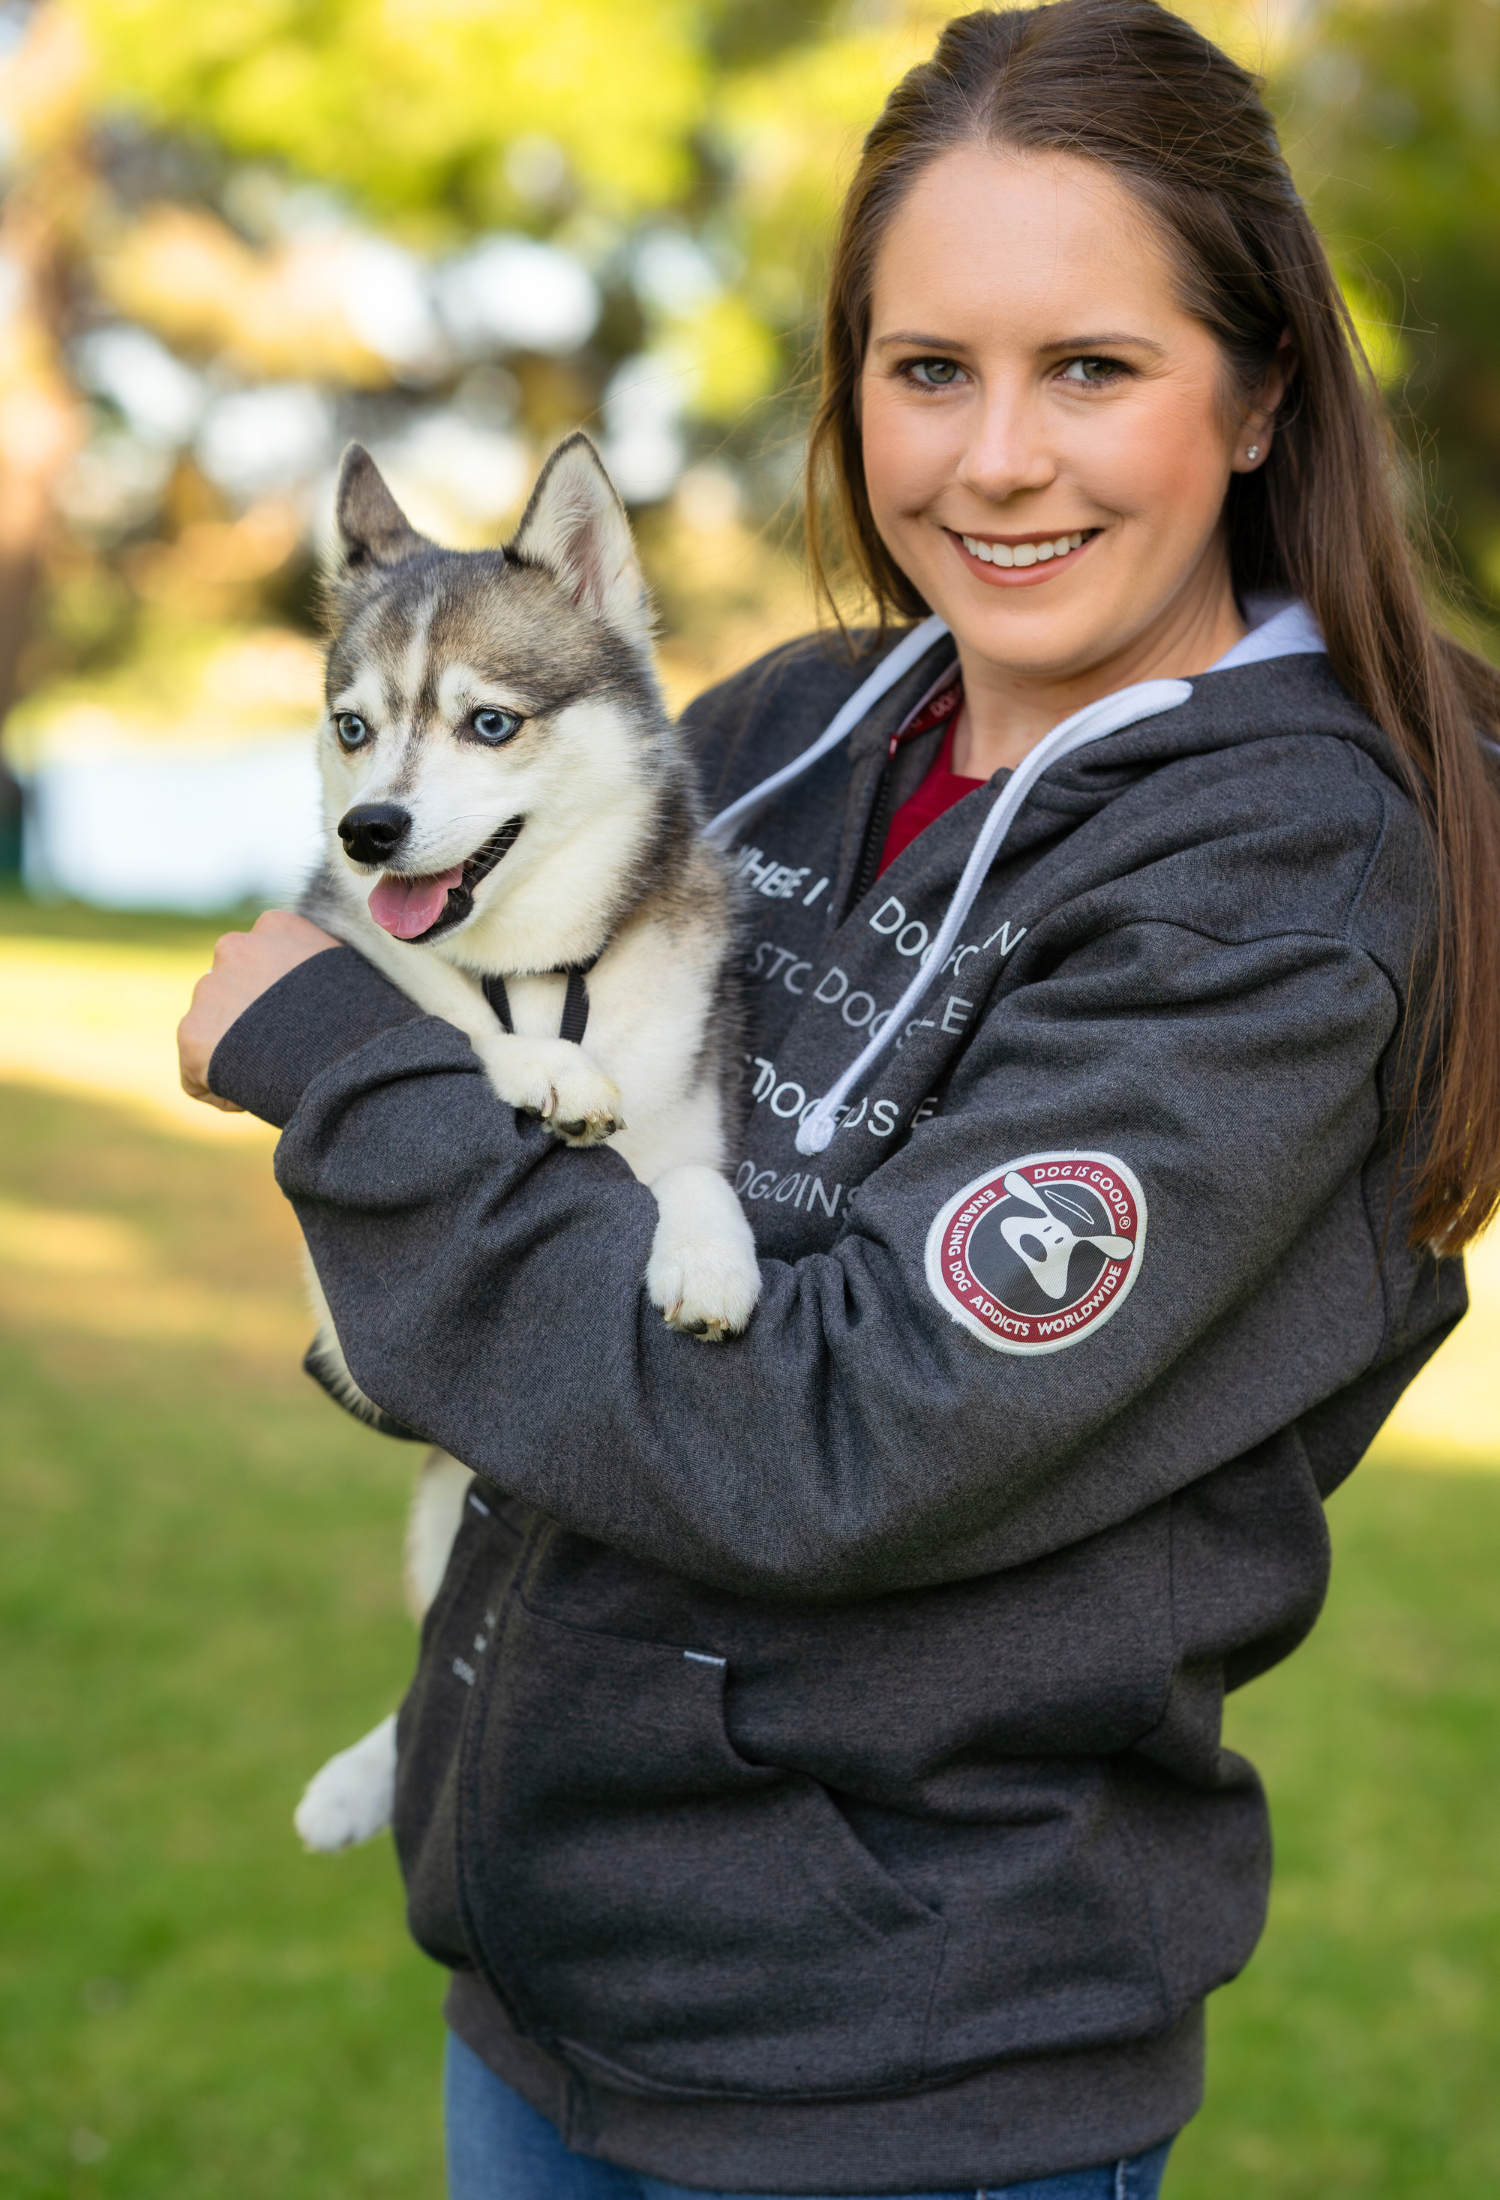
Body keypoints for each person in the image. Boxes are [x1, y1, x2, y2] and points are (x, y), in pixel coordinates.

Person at [177, 3, 1500, 2194]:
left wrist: (332, 1074)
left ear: (1260, 394)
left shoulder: (1280, 888)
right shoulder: (802, 717)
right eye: (927, 370)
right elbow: (515, 1157)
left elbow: (829, 1434)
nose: (996, 460)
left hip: (894, 2064)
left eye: (1092, 367)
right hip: (552, 1979)